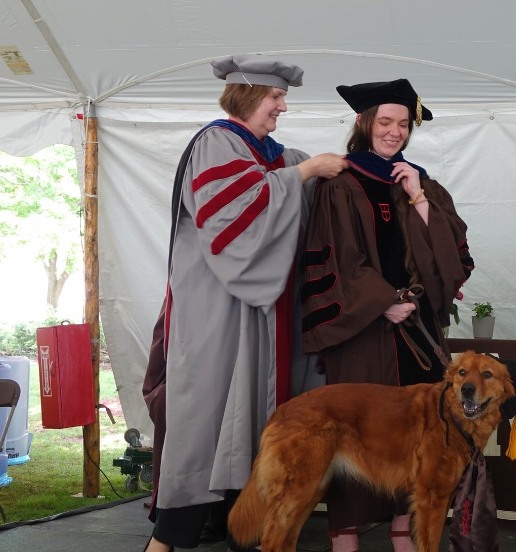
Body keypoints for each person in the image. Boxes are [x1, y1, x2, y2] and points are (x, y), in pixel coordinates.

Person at [142, 53, 348, 552]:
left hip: (258, 316)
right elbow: (232, 214)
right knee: (205, 418)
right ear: (250, 95)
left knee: (254, 420)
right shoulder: (216, 143)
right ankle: (165, 540)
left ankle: (247, 531)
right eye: (276, 97)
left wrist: (350, 165)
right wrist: (305, 174)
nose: (282, 107)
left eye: (282, 98)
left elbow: (306, 183)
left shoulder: (275, 154)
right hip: (215, 315)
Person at [298, 79, 474, 552]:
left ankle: (405, 540)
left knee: (418, 442)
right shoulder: (342, 182)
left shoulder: (421, 183)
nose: (395, 133)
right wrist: (382, 301)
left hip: (418, 336)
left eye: (402, 124)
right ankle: (346, 543)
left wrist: (417, 197)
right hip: (363, 334)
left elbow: (453, 260)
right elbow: (334, 258)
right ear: (363, 122)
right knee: (357, 437)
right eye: (385, 122)